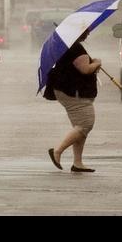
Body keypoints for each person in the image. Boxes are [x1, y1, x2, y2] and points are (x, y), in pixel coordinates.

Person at [46, 31, 102, 172]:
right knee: (85, 125)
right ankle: (57, 151)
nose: (88, 33)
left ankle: (77, 163)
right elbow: (85, 69)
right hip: (73, 92)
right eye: (86, 31)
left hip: (67, 90)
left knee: (80, 128)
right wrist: (96, 63)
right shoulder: (75, 48)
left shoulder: (68, 47)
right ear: (79, 33)